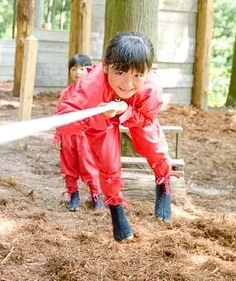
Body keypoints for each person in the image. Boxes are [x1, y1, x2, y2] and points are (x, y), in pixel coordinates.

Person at [55, 32, 179, 242]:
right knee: (106, 160)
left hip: (135, 110)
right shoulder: (89, 88)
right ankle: (115, 207)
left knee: (152, 144)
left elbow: (147, 118)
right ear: (105, 66)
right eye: (120, 72)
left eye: (137, 75)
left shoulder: (150, 89)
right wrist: (96, 116)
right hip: (98, 113)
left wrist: (125, 111)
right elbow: (63, 122)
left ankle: (163, 181)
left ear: (147, 73)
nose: (128, 83)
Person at [53, 54, 104, 212]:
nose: (78, 72)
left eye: (82, 68)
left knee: (89, 166)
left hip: (85, 137)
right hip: (68, 136)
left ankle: (96, 196)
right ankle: (73, 196)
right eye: (74, 69)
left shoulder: (94, 92)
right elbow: (59, 116)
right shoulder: (66, 93)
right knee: (69, 167)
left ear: (89, 70)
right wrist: (58, 136)